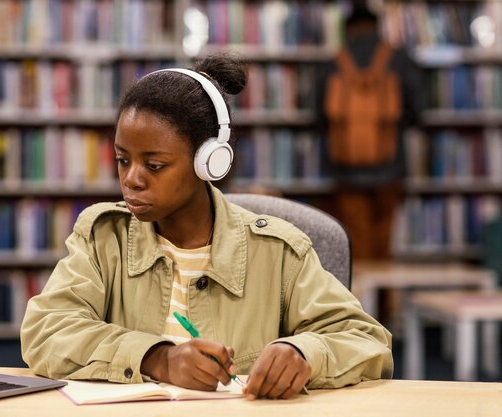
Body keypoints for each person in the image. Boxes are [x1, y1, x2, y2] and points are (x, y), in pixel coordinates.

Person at [20, 53, 393, 400]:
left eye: (154, 165)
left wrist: (303, 352)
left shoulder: (278, 251)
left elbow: (367, 341)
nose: (131, 179)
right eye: (122, 160)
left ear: (209, 162)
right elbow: (46, 331)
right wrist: (158, 358)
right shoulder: (103, 237)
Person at [317, 3, 425, 260]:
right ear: (377, 27)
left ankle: (360, 298)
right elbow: (418, 110)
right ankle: (387, 299)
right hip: (390, 165)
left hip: (346, 169)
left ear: (348, 29)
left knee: (355, 242)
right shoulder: (398, 59)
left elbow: (318, 116)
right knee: (384, 242)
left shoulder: (333, 62)